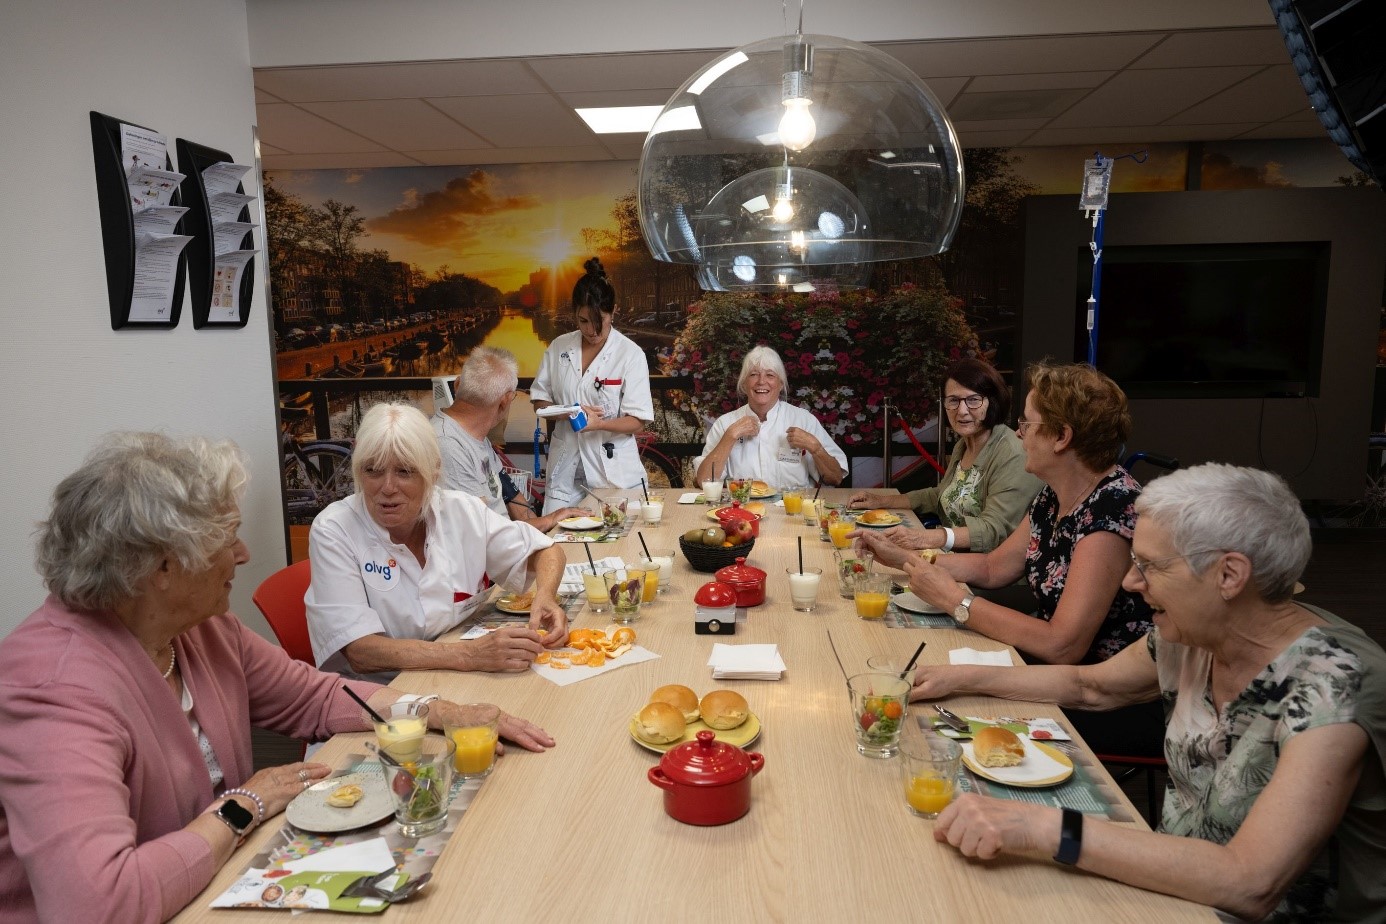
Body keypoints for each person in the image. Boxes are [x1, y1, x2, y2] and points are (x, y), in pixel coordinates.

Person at [0, 432, 553, 922]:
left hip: (221, 883)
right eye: (227, 538)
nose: (242, 554)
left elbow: (313, 695)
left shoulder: (199, 630)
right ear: (161, 567)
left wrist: (441, 711)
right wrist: (245, 805)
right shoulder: (54, 692)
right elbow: (97, 905)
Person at [913, 464, 1386, 922]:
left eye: (1150, 566)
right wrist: (961, 677)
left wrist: (1039, 827)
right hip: (1168, 891)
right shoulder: (1191, 632)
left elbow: (1250, 881)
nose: (1130, 582)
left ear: (1229, 575)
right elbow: (1090, 685)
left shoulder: (1335, 683)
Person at [857, 361, 1158, 754]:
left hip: (1106, 696)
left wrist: (954, 600)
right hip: (1055, 672)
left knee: (931, 730)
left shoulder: (1111, 510)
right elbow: (994, 566)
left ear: (1062, 436)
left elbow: (1063, 646)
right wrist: (900, 558)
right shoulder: (1056, 493)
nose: (1019, 433)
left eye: (1028, 424)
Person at [306, 402, 569, 682]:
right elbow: (361, 652)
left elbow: (546, 550)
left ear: (433, 471)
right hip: (379, 693)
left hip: (449, 675)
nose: (387, 488)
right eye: (373, 471)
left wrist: (545, 596)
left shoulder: (459, 510)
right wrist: (470, 655)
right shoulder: (334, 529)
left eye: (404, 471)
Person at [849, 357, 1040, 552]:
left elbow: (994, 529)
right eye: (954, 401)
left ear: (992, 402)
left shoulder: (1013, 453)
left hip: (988, 573)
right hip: (953, 558)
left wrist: (926, 538)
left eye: (973, 400)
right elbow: (943, 495)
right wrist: (882, 501)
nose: (962, 411)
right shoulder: (963, 445)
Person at [530, 257, 654, 515]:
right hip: (565, 468)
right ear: (574, 314)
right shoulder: (559, 348)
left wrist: (599, 424)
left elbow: (638, 420)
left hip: (613, 471)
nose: (592, 330)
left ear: (614, 311)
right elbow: (539, 401)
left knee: (615, 541)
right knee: (559, 543)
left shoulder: (630, 354)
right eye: (583, 321)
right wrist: (568, 412)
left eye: (600, 321)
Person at [433, 346, 588, 531]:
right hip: (491, 552)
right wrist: (551, 519)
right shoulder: (448, 445)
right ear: (505, 401)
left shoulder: (476, 436)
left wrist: (551, 520)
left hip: (506, 543)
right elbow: (480, 536)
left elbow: (515, 503)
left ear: (457, 384)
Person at [694, 346, 848, 488]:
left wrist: (815, 448)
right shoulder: (725, 423)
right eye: (753, 374)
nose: (761, 381)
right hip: (741, 512)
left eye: (770, 375)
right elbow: (703, 482)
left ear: (780, 384)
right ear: (744, 384)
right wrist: (729, 436)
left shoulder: (803, 420)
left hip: (792, 512)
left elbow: (835, 478)